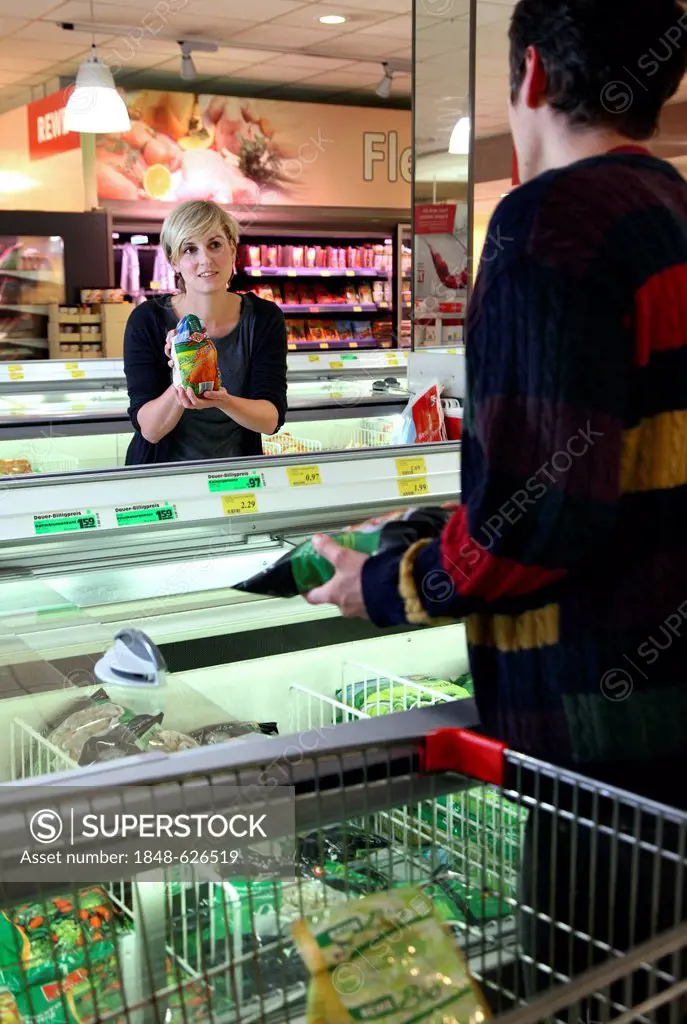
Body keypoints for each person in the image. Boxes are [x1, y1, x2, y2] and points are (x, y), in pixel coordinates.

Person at [304, 0, 687, 1017]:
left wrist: (386, 582)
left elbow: (539, 517)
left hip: (595, 730)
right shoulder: (673, 214)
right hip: (670, 700)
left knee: (595, 987)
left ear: (526, 77)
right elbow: (621, 459)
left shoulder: (546, 224)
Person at [123, 200, 287, 464]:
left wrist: (223, 400)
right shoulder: (147, 320)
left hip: (236, 477)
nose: (205, 260)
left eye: (215, 244)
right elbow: (151, 430)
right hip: (159, 479)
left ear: (232, 249)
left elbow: (269, 420)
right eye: (190, 249)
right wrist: (183, 370)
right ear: (173, 261)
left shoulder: (263, 317)